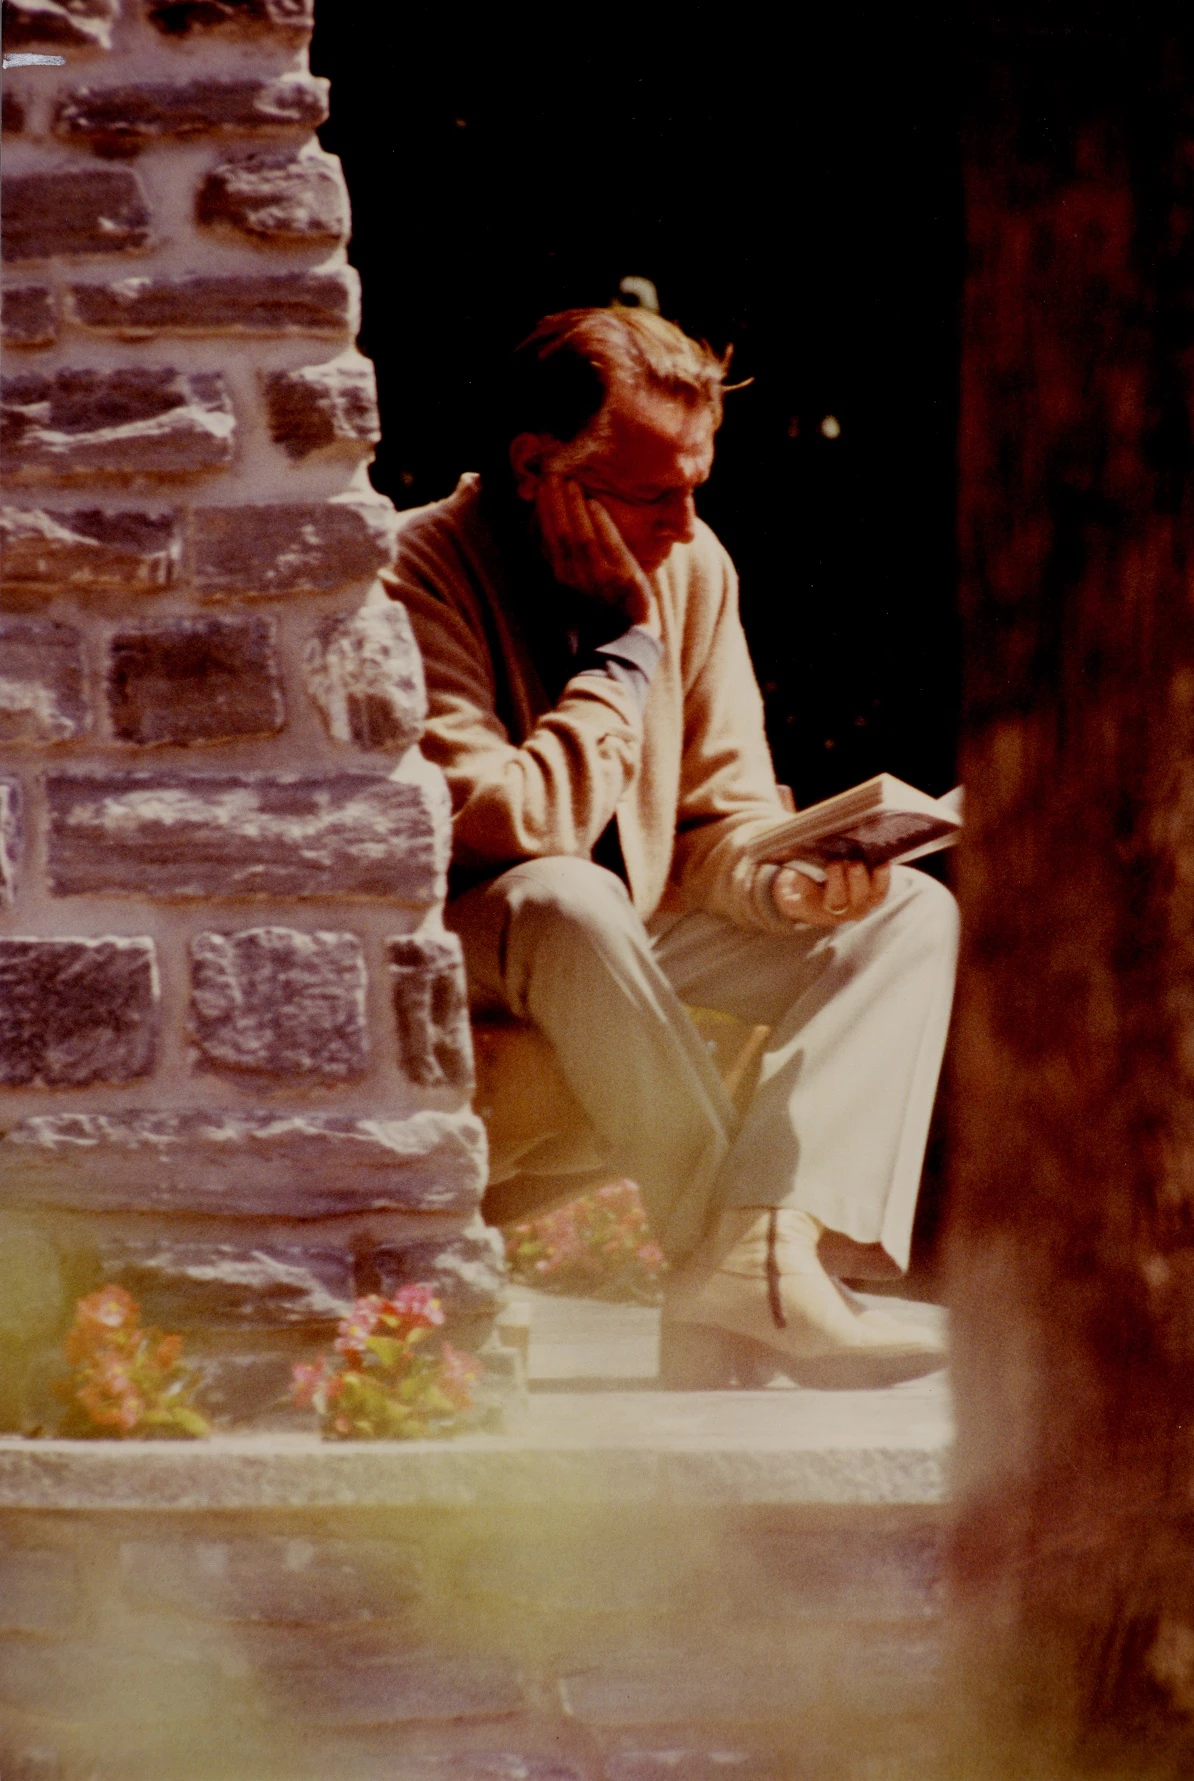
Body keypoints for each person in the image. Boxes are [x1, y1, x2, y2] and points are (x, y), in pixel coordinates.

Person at [381, 306, 959, 1387]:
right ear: (535, 468)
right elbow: (511, 821)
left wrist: (790, 889)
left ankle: (765, 1251)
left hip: (624, 940)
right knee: (565, 894)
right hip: (473, 946)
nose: (686, 525)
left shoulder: (695, 569)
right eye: (656, 493)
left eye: (698, 484)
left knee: (911, 915)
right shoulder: (415, 570)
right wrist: (624, 651)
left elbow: (715, 825)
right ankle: (735, 1276)